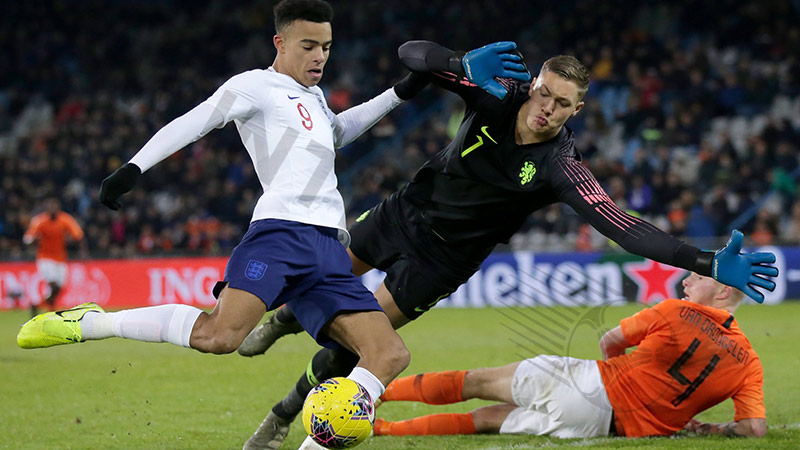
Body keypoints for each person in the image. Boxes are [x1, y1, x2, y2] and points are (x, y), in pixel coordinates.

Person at [15, 2, 530, 448]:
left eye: (326, 47)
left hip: (330, 249)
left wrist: (402, 91)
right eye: (309, 46)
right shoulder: (254, 87)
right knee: (221, 336)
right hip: (281, 234)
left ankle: (319, 436)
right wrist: (133, 168)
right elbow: (193, 121)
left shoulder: (314, 98)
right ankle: (89, 322)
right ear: (279, 43)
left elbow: (339, 132)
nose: (320, 58)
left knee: (388, 353)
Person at [237, 40, 779, 449]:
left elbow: (622, 225)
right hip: (403, 213)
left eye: (562, 103)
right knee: (318, 280)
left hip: (444, 261)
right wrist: (460, 62)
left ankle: (285, 413)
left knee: (355, 344)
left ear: (576, 111)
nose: (546, 107)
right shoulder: (497, 92)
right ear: (536, 83)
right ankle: (281, 321)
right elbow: (414, 55)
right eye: (544, 92)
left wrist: (705, 260)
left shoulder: (560, 166)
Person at [372, 272, 766, 439]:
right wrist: (711, 429)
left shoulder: (675, 311)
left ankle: (374, 396)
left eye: (697, 278)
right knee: (487, 421)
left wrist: (619, 368)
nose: (686, 280)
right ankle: (381, 430)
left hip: (591, 386)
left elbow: (610, 340)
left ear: (721, 293)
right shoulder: (749, 362)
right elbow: (753, 429)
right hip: (603, 428)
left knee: (478, 381)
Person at [22, 197, 86, 317]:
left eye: (55, 207)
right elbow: (27, 239)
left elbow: (78, 235)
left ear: (58, 208)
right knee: (53, 285)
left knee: (59, 288)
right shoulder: (39, 221)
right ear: (47, 209)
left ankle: (37, 305)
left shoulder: (65, 219)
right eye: (50, 207)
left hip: (61, 259)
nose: (53, 209)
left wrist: (83, 252)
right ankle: (51, 310)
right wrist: (33, 241)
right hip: (45, 258)